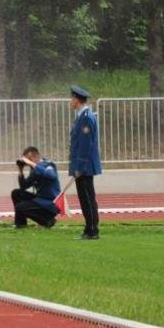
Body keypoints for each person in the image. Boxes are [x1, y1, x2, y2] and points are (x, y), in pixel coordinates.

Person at [68, 84, 102, 240]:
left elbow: (85, 145)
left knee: (87, 198)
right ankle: (89, 228)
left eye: (72, 98)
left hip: (85, 166)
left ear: (77, 99)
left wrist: (80, 166)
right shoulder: (82, 116)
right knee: (84, 198)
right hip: (81, 165)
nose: (70, 101)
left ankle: (92, 230)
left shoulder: (86, 117)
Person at [10, 146, 61, 229]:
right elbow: (23, 186)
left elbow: (51, 175)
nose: (27, 162)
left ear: (36, 156)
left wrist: (32, 164)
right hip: (40, 199)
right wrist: (20, 170)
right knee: (16, 193)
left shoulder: (48, 164)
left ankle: (47, 220)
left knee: (20, 207)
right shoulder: (34, 170)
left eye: (29, 159)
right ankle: (20, 224)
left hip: (50, 203)